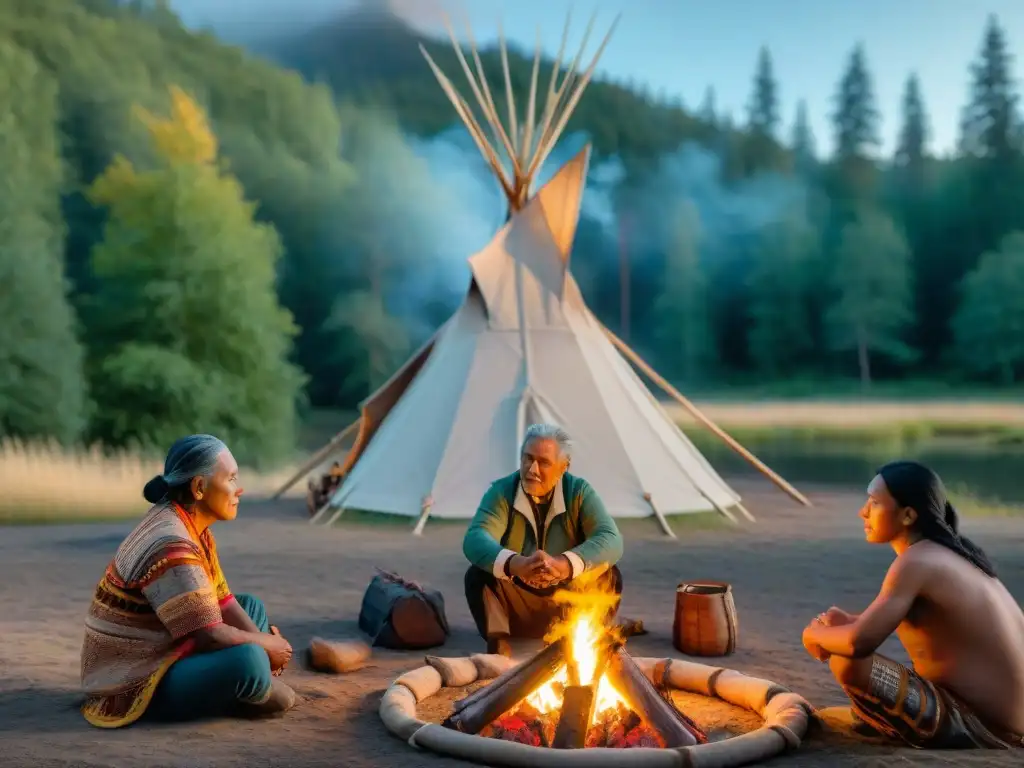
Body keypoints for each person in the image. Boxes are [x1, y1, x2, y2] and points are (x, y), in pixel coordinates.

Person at [801, 460, 1024, 749]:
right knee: (837, 627)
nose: (863, 511)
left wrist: (814, 635)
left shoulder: (916, 562)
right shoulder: (955, 552)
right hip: (1012, 718)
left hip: (982, 723)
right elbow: (915, 626)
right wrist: (843, 622)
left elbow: (860, 643)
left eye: (874, 502)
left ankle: (892, 724)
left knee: (847, 660)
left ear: (907, 515)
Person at [80, 434, 296, 728]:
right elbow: (211, 635)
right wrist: (267, 646)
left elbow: (223, 600)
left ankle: (251, 685)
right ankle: (249, 687)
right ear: (199, 487)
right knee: (249, 660)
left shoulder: (193, 527)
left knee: (250, 607)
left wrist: (269, 645)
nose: (239, 489)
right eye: (231, 478)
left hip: (169, 644)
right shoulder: (171, 543)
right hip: (136, 678)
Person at [462, 423, 625, 656]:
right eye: (527, 458)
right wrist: (516, 564)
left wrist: (564, 564)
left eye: (544, 462)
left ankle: (582, 638)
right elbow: (476, 539)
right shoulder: (502, 491)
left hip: (568, 603)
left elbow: (611, 539)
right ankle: (498, 641)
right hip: (517, 605)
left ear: (563, 467)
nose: (532, 469)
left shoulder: (579, 492)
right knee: (478, 574)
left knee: (609, 574)